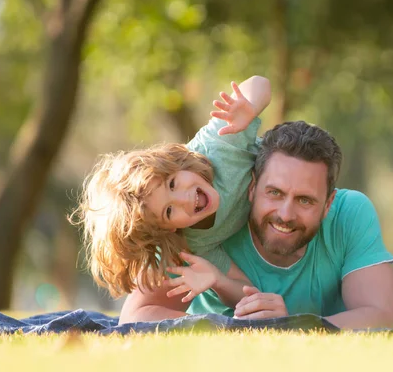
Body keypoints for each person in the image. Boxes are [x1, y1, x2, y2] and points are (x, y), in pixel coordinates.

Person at [119, 121, 393, 330]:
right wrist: (233, 329)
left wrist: (289, 325)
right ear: (252, 187)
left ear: (328, 204)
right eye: (274, 193)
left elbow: (383, 317)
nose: (285, 214)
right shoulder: (195, 224)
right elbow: (135, 318)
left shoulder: (349, 212)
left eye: (304, 200)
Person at [72, 76, 271, 310]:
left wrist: (249, 106)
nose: (184, 199)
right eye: (169, 210)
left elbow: (260, 83)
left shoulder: (217, 147)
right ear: (168, 228)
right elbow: (245, 290)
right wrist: (218, 280)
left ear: (177, 165)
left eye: (172, 184)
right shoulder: (194, 244)